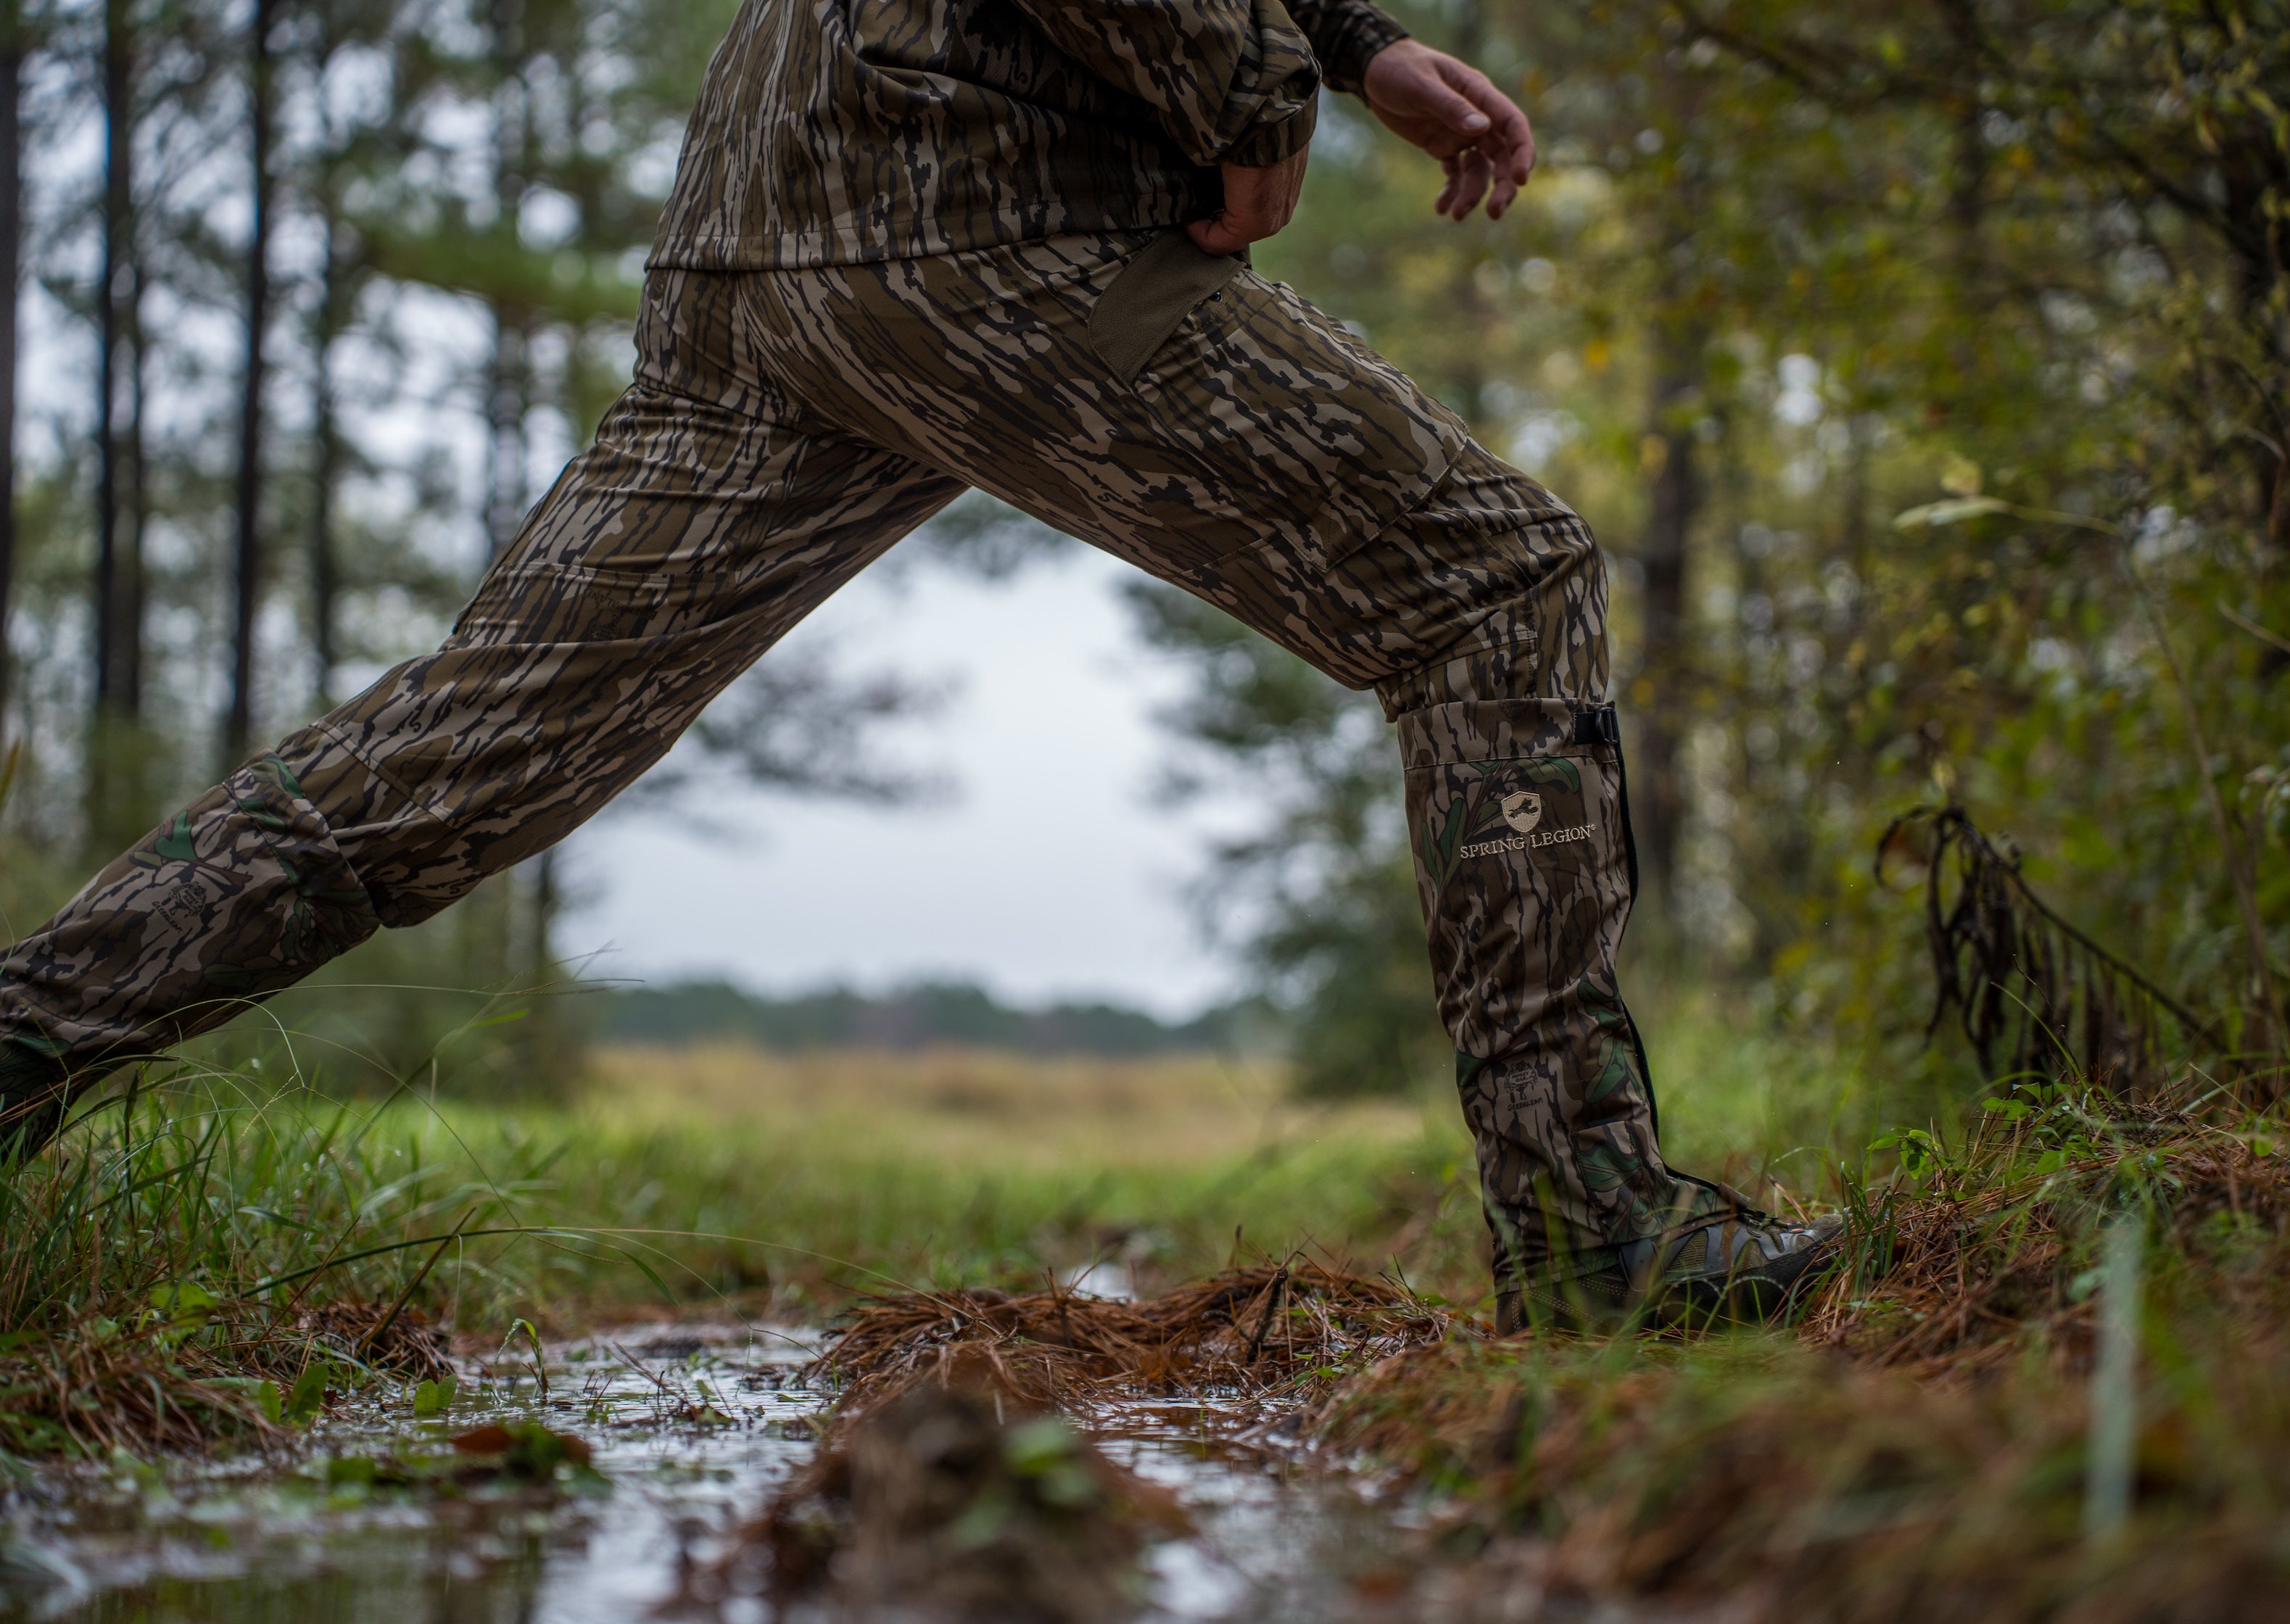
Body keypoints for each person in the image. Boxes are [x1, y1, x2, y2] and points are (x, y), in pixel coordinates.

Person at [0, 0, 1840, 1330]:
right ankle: (1596, 1229)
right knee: (1490, 584)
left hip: (767, 231)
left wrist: (1349, 43)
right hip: (992, 206)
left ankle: (17, 1044)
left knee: (455, 762)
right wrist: (1251, 94)